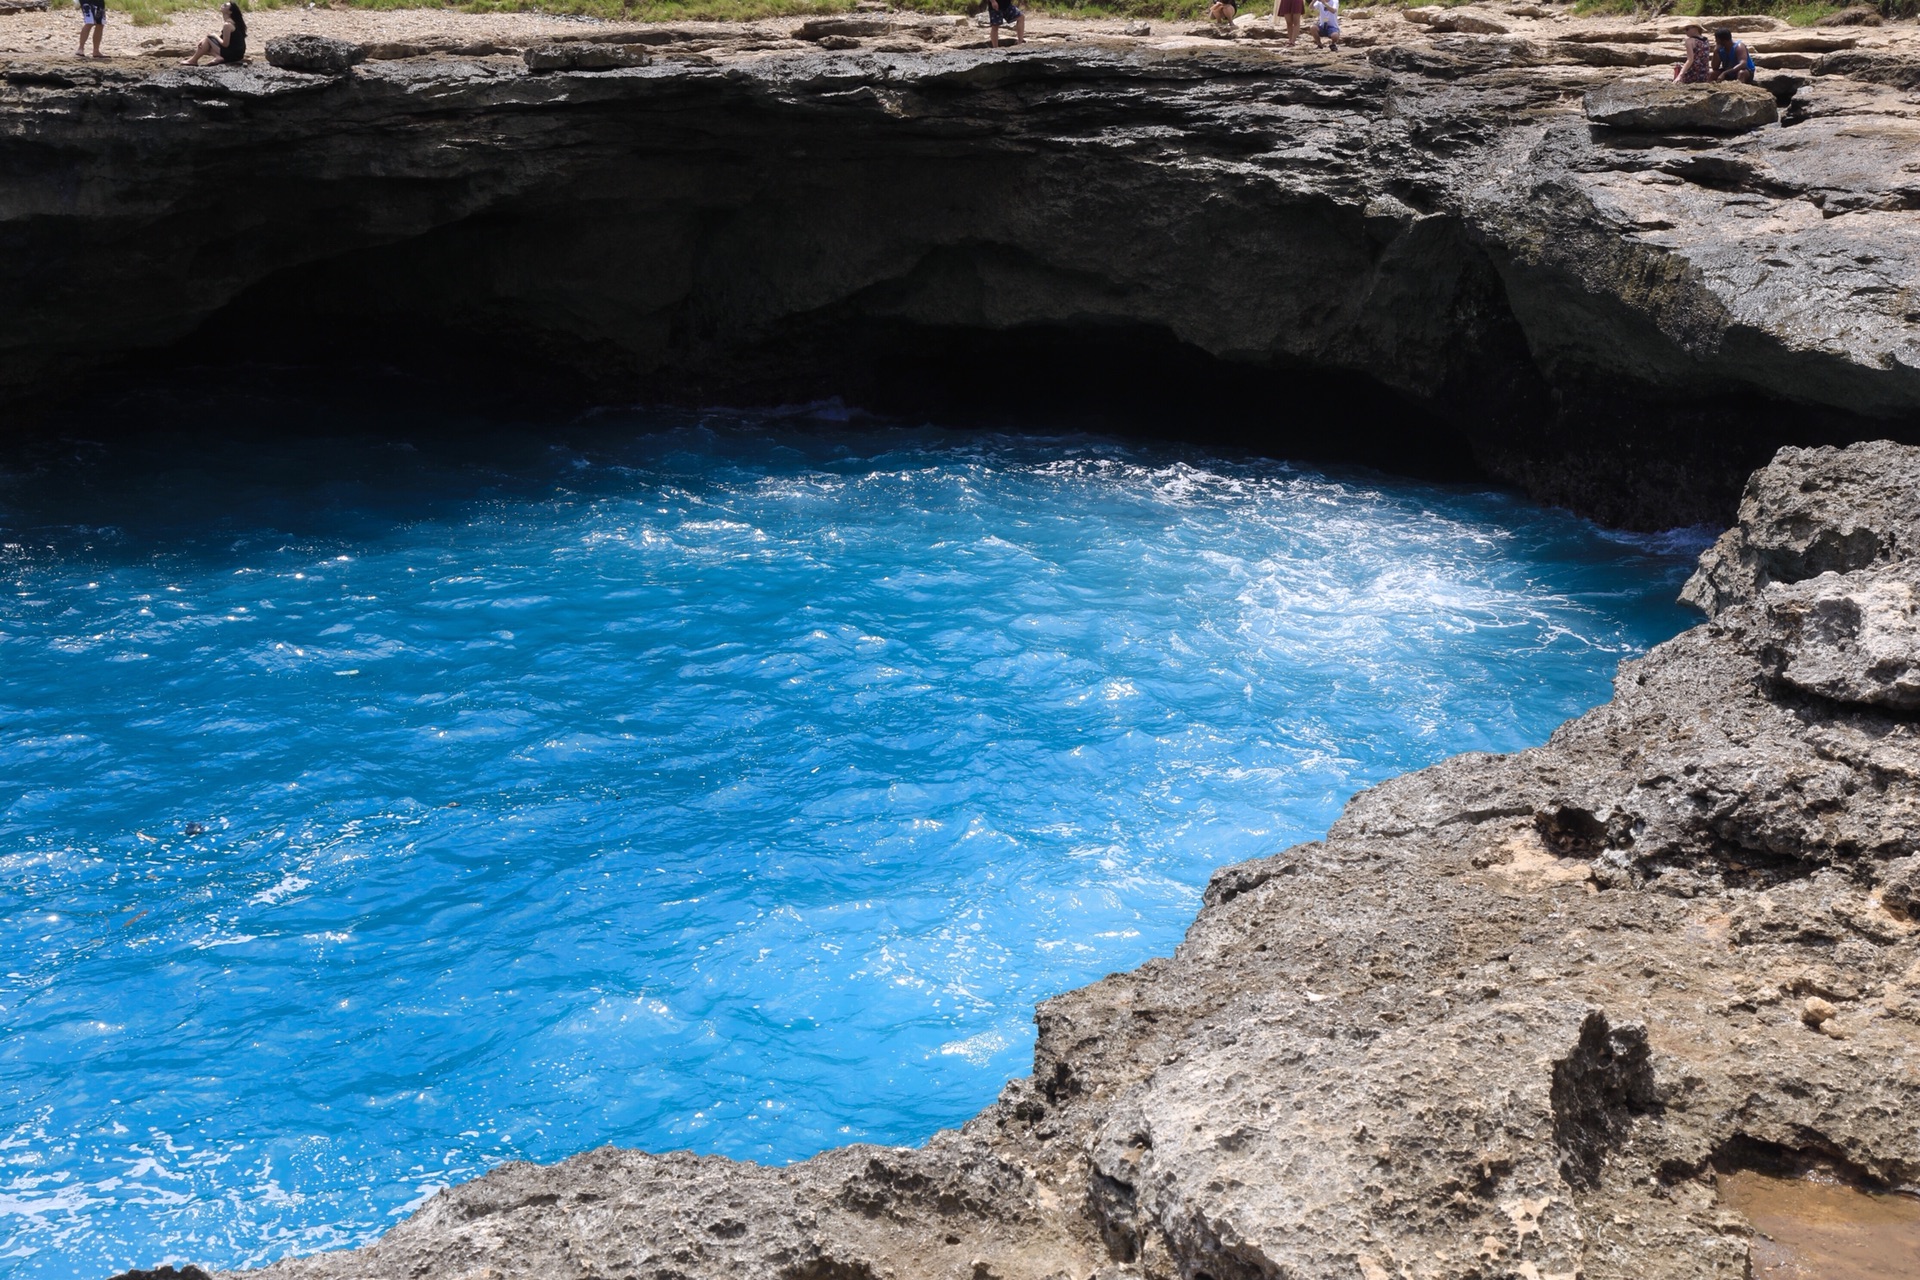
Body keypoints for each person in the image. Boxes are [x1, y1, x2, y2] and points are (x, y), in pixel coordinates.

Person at [181, 0, 246, 66]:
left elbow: (225, 44)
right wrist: (205, 39)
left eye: (225, 5)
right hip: (238, 54)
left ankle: (193, 60)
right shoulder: (234, 22)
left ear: (230, 12)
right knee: (207, 40)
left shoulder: (228, 25)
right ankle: (218, 57)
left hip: (233, 55)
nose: (222, 5)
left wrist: (214, 36)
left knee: (209, 38)